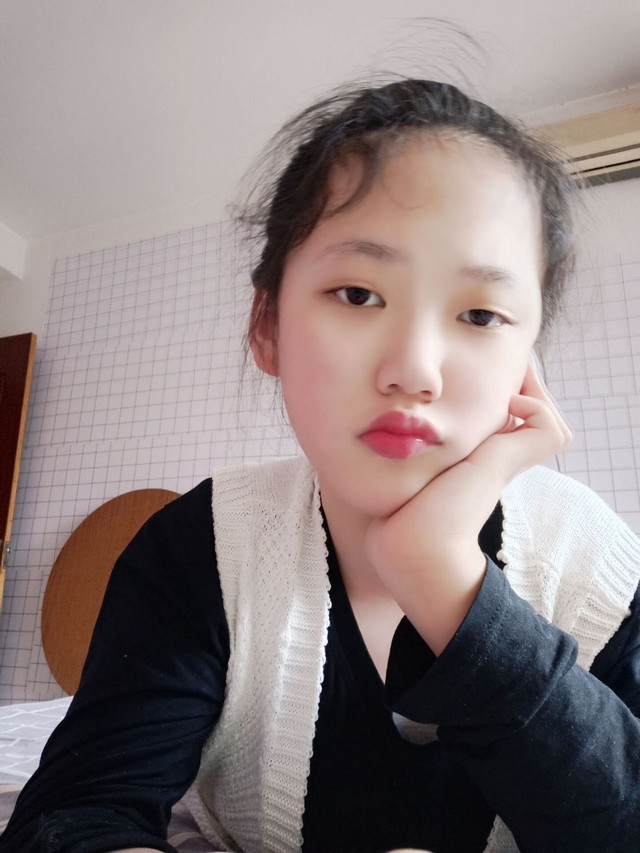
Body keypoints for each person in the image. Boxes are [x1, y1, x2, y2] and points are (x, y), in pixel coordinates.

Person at [1, 78, 639, 853]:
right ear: (267, 326)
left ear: (525, 361)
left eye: (480, 314)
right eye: (358, 293)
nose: (415, 369)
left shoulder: (592, 560)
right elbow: (73, 821)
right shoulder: (199, 546)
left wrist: (444, 578)